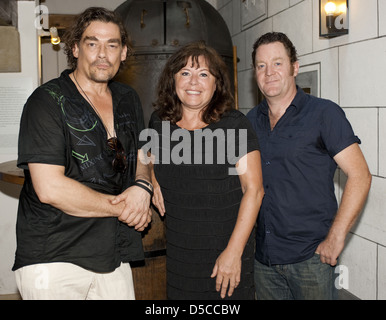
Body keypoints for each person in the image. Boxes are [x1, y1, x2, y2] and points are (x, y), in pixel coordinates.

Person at [13, 7, 153, 300]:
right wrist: (127, 208)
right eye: (93, 43)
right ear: (75, 48)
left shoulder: (128, 99)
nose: (103, 53)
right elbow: (51, 188)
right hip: (55, 255)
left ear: (123, 52)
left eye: (112, 44)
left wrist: (143, 184)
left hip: (113, 253)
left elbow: (145, 150)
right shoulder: (47, 101)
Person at [247, 32, 372, 300]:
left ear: (294, 67)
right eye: (261, 65)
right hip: (264, 261)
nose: (269, 72)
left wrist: (337, 237)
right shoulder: (250, 121)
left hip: (311, 260)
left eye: (278, 63)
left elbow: (360, 175)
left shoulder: (324, 113)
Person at [144, 41, 264, 300]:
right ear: (172, 80)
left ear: (216, 83)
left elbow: (253, 191)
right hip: (181, 256)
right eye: (185, 73)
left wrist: (233, 253)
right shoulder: (159, 122)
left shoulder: (234, 126)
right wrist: (153, 180)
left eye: (203, 74)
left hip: (227, 254)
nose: (193, 82)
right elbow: (144, 158)